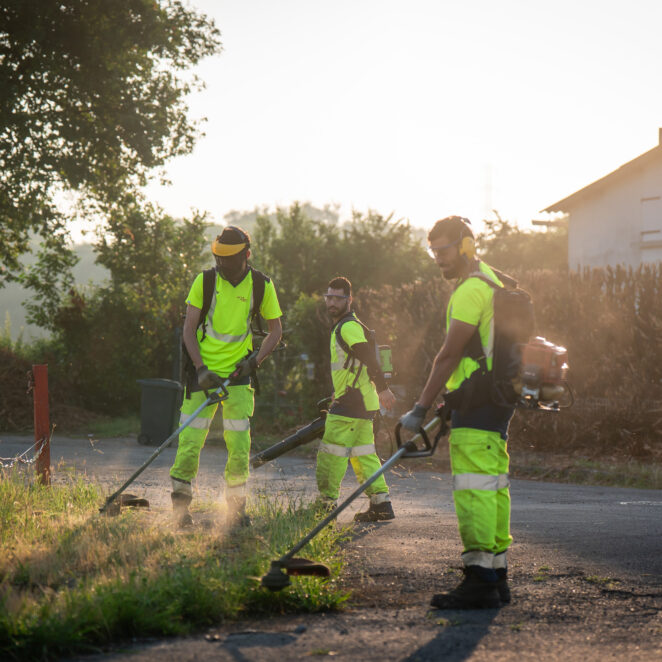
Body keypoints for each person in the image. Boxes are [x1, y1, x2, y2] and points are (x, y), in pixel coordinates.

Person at [400, 216, 515, 609]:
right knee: (493, 484)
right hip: (492, 400)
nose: (438, 259)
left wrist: (419, 407)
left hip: (478, 403)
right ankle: (496, 576)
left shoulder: (470, 291)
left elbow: (448, 355)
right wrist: (450, 400)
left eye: (444, 250)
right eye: (432, 251)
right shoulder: (493, 281)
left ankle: (480, 578)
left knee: (474, 487)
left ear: (466, 246)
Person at [170, 226, 282, 528]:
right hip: (202, 376)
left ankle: (235, 509)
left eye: (229, 259)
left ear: (246, 255)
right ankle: (180, 505)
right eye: (218, 258)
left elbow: (276, 331)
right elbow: (188, 331)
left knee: (239, 444)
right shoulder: (204, 282)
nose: (222, 264)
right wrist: (201, 368)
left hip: (239, 378)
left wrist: (254, 362)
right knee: (190, 441)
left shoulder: (261, 285)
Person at [316, 276, 397, 521]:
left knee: (331, 454)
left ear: (349, 300)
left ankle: (325, 506)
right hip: (360, 402)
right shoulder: (348, 326)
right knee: (364, 455)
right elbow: (353, 366)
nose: (331, 302)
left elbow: (368, 359)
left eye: (337, 298)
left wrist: (383, 388)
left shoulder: (347, 327)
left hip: (353, 403)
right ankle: (381, 504)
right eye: (328, 297)